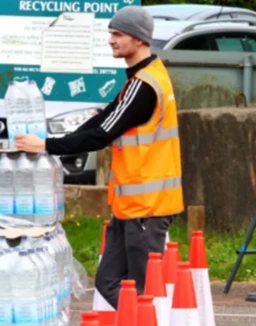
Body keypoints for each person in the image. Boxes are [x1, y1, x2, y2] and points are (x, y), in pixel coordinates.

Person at [15, 5, 184, 309]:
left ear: (139, 40)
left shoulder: (145, 85)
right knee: (108, 282)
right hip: (131, 208)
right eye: (110, 33)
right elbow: (102, 118)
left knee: (143, 292)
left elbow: (102, 134)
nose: (111, 40)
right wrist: (55, 141)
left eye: (118, 34)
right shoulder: (140, 81)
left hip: (147, 208)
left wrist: (46, 147)